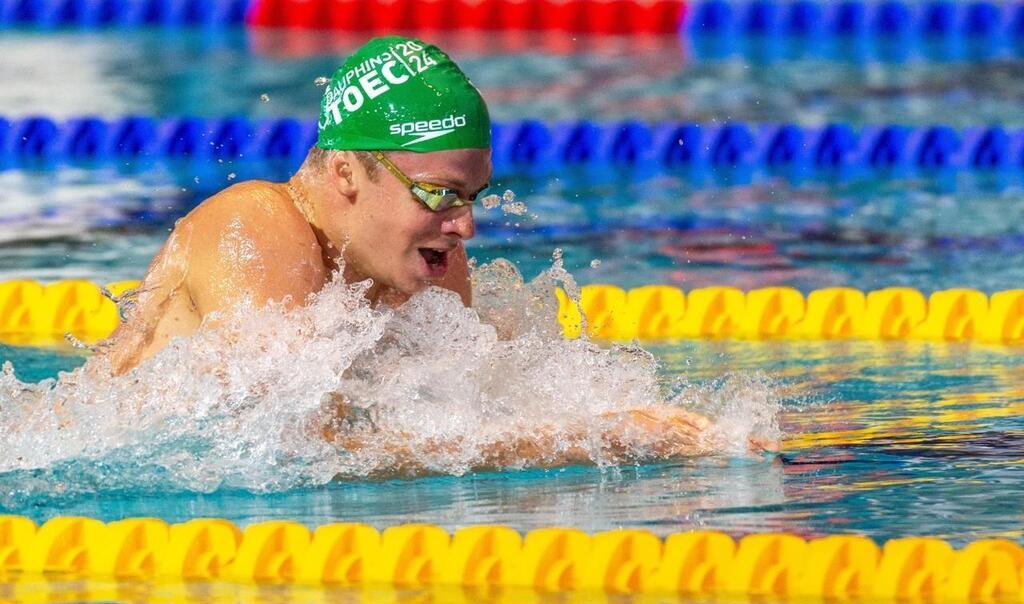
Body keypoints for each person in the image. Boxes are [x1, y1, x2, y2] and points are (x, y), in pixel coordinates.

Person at [93, 36, 737, 463]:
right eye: (438, 194)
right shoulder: (255, 226)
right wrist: (567, 444)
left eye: (472, 197)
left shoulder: (422, 263)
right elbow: (290, 447)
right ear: (347, 172)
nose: (464, 227)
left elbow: (483, 400)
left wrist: (635, 424)